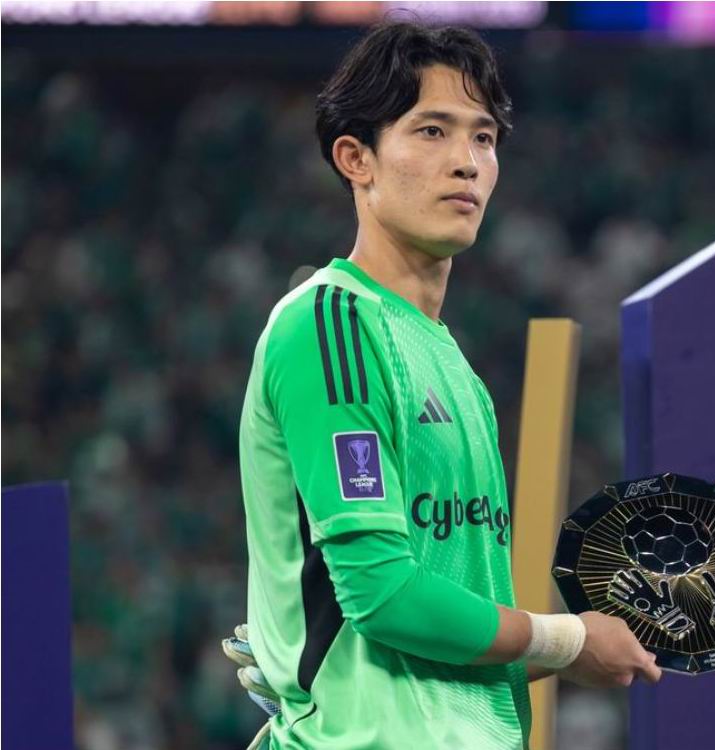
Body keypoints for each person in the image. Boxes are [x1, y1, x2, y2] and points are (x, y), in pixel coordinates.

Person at [235, 22, 659, 750]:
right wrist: (565, 638)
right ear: (356, 159)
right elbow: (382, 595)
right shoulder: (333, 325)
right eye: (431, 131)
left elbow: (443, 647)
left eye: (483, 138)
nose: (465, 162)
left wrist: (582, 646)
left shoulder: (451, 363)